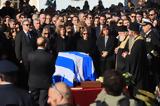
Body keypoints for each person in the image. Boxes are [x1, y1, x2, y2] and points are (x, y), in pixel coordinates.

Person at [28, 37, 55, 106]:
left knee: (33, 102)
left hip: (33, 82)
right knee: (42, 102)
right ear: (45, 44)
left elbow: (27, 68)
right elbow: (52, 70)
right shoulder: (49, 56)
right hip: (45, 83)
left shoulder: (30, 55)